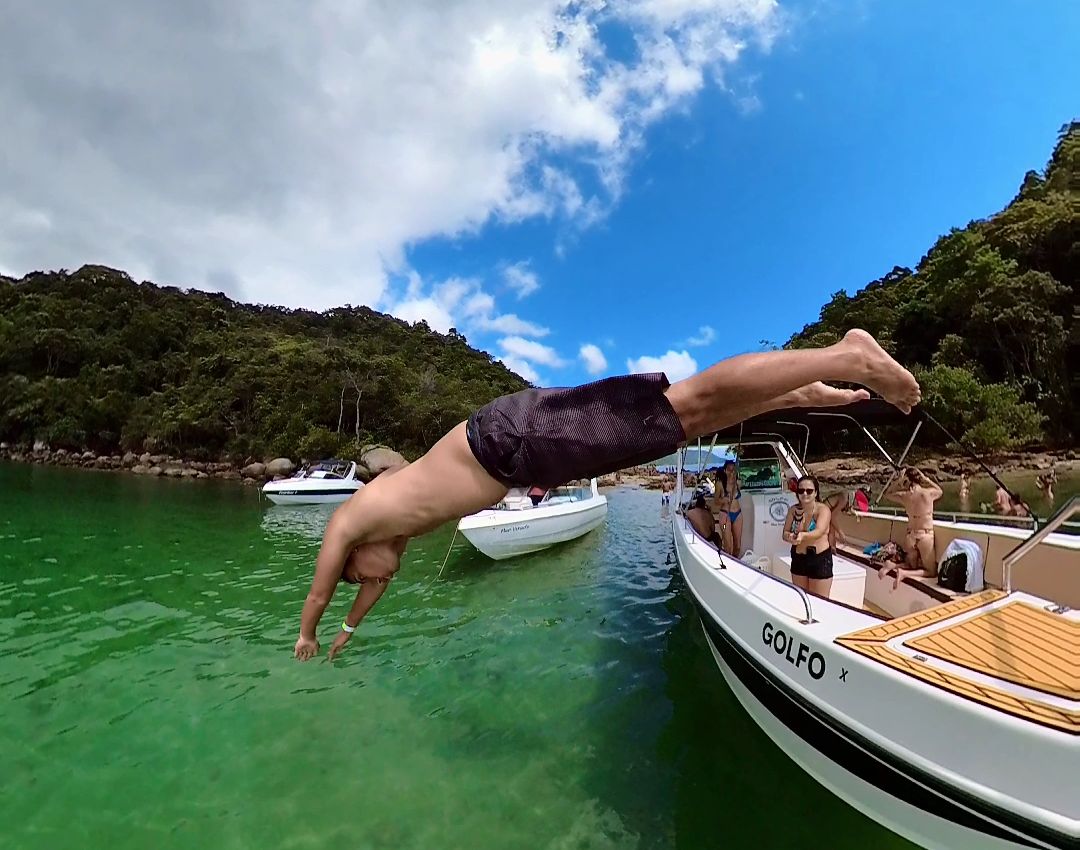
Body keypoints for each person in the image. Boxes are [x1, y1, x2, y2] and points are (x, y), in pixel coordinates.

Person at [294, 328, 921, 660]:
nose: (377, 580)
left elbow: (322, 586)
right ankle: (793, 389)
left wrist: (311, 632)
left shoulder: (354, 519)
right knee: (682, 425)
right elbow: (368, 590)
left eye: (361, 579)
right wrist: (351, 630)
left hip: (512, 441)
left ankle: (846, 355)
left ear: (352, 555)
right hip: (518, 451)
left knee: (684, 404)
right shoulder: (392, 530)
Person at [878, 466, 942, 590]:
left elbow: (887, 494)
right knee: (931, 571)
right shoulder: (928, 493)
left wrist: (899, 480)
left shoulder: (905, 496)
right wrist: (926, 479)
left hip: (910, 536)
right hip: (925, 536)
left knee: (911, 565)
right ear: (919, 479)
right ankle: (903, 573)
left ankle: (892, 566)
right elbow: (940, 491)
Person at [781, 475, 833, 598]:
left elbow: (819, 531)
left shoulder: (823, 510)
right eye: (801, 490)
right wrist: (790, 537)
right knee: (801, 598)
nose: (805, 494)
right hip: (799, 558)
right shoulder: (793, 510)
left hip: (819, 559)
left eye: (809, 491)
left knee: (820, 601)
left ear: (816, 493)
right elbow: (785, 533)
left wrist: (802, 536)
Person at [717, 460, 744, 557]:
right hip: (725, 516)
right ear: (725, 471)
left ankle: (735, 563)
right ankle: (727, 564)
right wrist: (723, 500)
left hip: (737, 515)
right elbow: (715, 501)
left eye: (733, 470)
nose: (731, 473)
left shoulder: (738, 483)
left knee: (737, 546)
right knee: (728, 546)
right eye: (729, 470)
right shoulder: (720, 484)